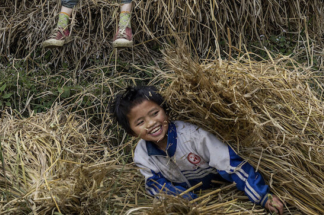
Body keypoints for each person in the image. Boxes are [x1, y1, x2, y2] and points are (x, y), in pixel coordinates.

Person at [109, 86, 286, 214]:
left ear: (166, 111)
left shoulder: (194, 135)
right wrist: (192, 205)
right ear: (131, 132)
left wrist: (262, 197)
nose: (151, 123)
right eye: (140, 122)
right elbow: (157, 187)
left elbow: (232, 165)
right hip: (197, 200)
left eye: (155, 113)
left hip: (223, 187)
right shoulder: (142, 155)